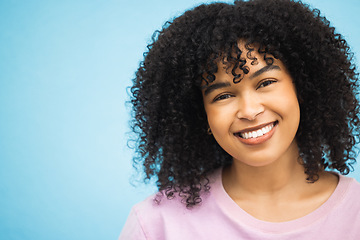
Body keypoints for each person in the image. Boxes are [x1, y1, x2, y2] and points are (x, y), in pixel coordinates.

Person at [120, 0, 360, 239]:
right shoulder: (155, 225)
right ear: (201, 114)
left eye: (265, 83)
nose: (249, 110)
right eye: (223, 95)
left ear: (303, 87)